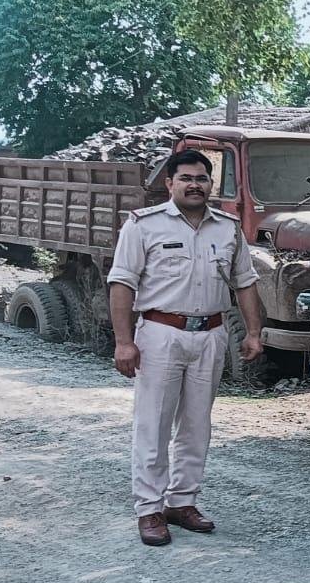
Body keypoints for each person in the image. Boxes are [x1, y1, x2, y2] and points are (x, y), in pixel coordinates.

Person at [107, 149, 265, 547]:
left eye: (202, 179)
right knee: (154, 424)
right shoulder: (144, 226)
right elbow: (122, 284)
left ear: (211, 184)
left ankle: (181, 502)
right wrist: (124, 342)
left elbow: (245, 282)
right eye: (186, 178)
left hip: (210, 334)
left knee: (197, 425)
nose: (195, 185)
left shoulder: (227, 228)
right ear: (170, 183)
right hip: (161, 334)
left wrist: (253, 332)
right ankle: (149, 509)